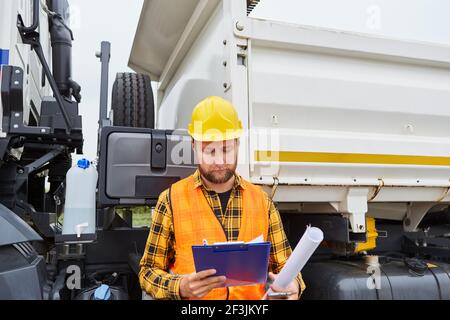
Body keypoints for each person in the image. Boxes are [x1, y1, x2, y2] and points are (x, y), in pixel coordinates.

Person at [139, 96, 305, 300]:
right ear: (194, 147)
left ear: (237, 145)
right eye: (209, 151)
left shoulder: (263, 202)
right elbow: (147, 271)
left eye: (226, 149)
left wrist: (294, 285)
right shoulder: (171, 200)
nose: (219, 161)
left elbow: (287, 267)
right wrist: (180, 287)